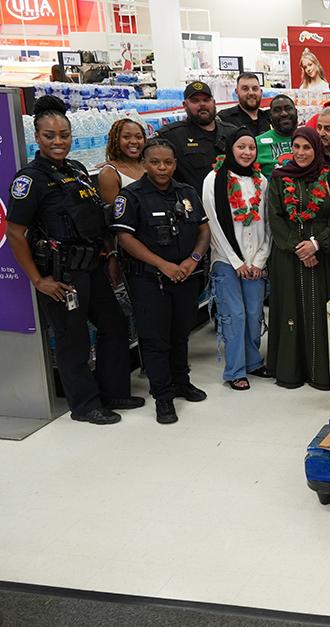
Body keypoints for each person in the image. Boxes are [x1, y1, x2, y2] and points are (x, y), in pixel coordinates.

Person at [5, 96, 139, 425]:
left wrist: (107, 255)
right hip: (62, 275)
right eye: (50, 135)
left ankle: (112, 391)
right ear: (37, 137)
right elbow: (14, 233)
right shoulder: (30, 180)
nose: (58, 141)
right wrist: (39, 280)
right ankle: (84, 405)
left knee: (114, 325)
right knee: (73, 340)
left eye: (64, 135)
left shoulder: (78, 170)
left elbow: (92, 219)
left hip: (93, 266)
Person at [112, 139, 211, 424]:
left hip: (185, 276)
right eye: (155, 162)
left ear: (175, 163)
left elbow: (203, 230)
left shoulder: (187, 192)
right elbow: (125, 238)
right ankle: (163, 397)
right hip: (148, 279)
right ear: (144, 163)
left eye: (168, 162)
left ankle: (182, 381)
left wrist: (192, 259)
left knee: (181, 333)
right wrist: (163, 265)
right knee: (156, 339)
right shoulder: (131, 196)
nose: (162, 167)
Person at [265, 127, 330, 390]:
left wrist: (315, 244)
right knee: (290, 308)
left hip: (321, 256)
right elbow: (275, 217)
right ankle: (290, 371)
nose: (301, 153)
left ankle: (319, 372)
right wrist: (298, 248)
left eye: (307, 147)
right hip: (287, 258)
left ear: (317, 149)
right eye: (297, 147)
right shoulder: (279, 178)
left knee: (318, 310)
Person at [203, 129, 272, 391]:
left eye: (251, 148)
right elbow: (214, 223)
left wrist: (259, 261)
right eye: (241, 147)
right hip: (225, 260)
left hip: (255, 262)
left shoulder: (261, 180)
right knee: (235, 315)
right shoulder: (214, 179)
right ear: (230, 148)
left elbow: (266, 223)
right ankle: (235, 370)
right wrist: (236, 261)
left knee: (255, 314)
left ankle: (254, 361)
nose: (246, 152)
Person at [157, 81, 238, 192]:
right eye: (195, 101)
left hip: (232, 203)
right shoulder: (171, 136)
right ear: (185, 105)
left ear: (214, 103)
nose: (202, 104)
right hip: (194, 205)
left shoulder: (232, 132)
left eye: (206, 100)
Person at [97, 117, 146, 204]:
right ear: (116, 140)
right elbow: (113, 214)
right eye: (126, 137)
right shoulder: (109, 173)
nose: (134, 141)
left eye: (139, 137)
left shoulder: (150, 165)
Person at [255, 95, 298, 172]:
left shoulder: (310, 140)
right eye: (277, 110)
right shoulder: (256, 144)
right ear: (270, 116)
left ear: (296, 112)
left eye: (288, 108)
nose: (284, 113)